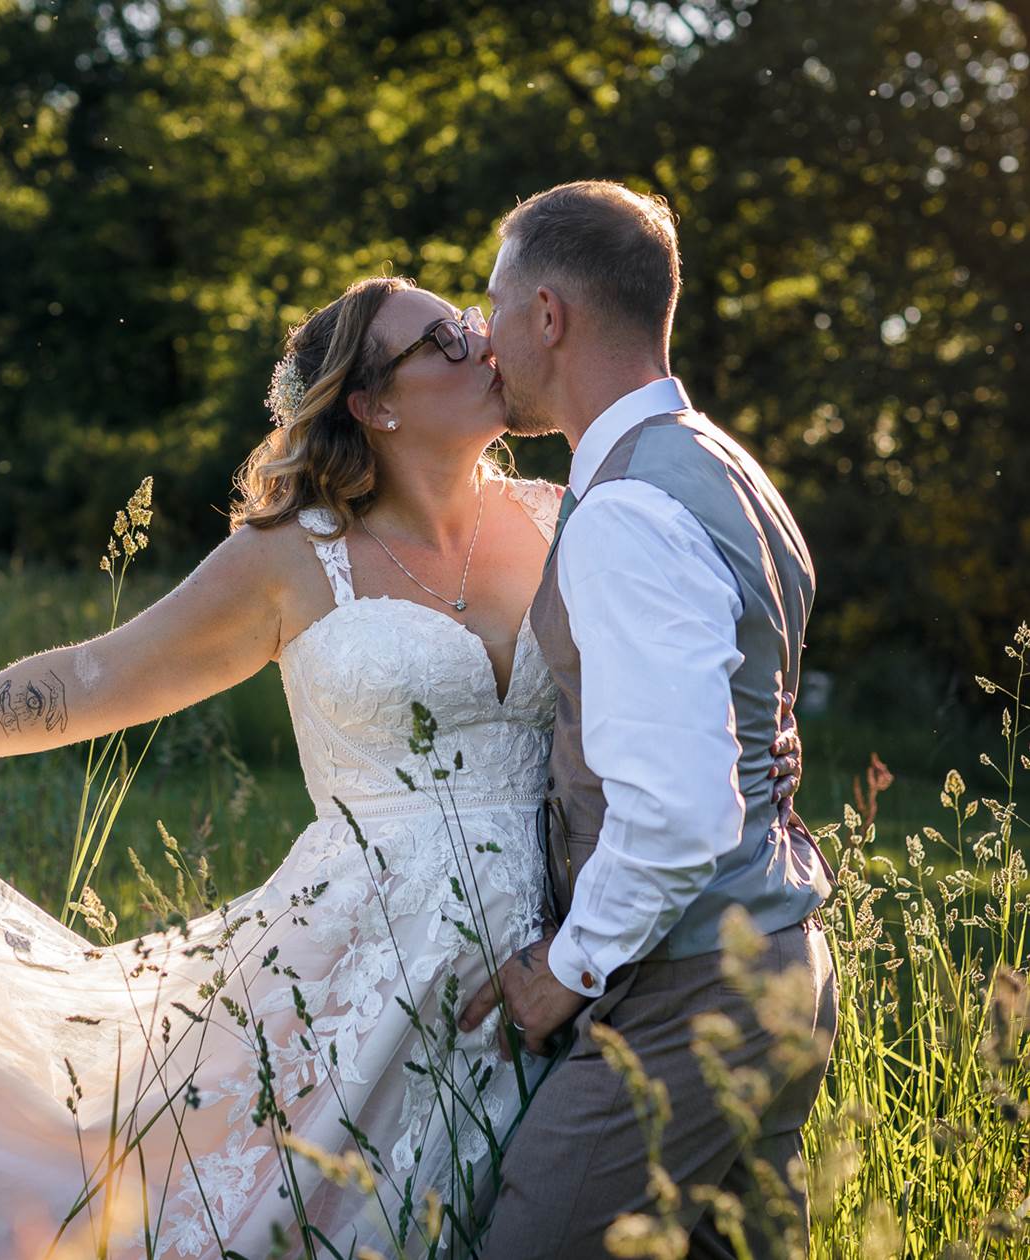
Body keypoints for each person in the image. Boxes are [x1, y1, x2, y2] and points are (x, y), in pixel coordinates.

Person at [0, 271, 801, 1259]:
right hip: (360, 954)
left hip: (565, 940)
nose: (485, 345)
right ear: (370, 402)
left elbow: (665, 706)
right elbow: (90, 681)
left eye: (476, 322)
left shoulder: (569, 511)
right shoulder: (289, 558)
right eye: (442, 339)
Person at [458, 180, 836, 1259]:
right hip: (776, 955)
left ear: (548, 314)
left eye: (493, 305)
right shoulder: (726, 466)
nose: (483, 337)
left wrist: (565, 972)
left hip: (688, 983)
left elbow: (676, 810)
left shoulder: (626, 511)